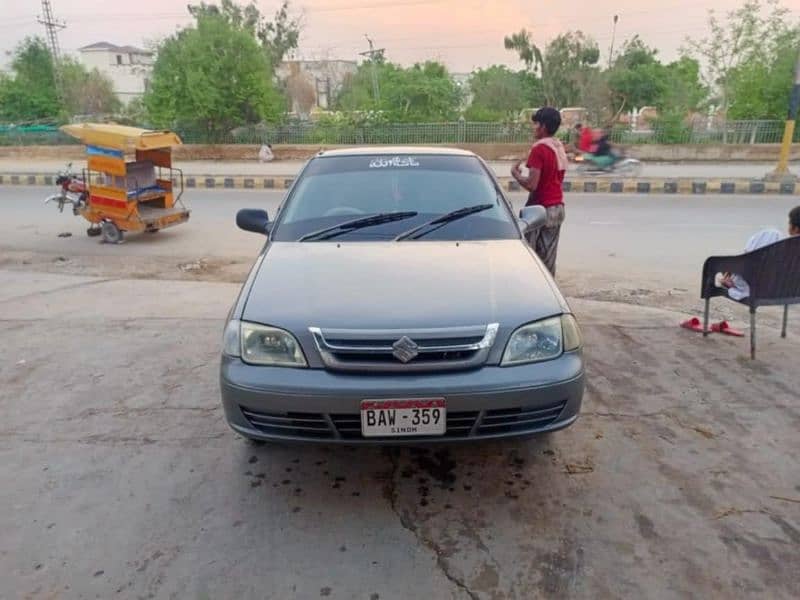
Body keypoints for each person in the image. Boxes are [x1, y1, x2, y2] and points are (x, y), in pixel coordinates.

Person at [511, 107, 567, 276]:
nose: (533, 127)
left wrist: (516, 175)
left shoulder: (539, 149)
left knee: (530, 257)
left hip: (539, 210)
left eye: (535, 124)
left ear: (542, 126)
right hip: (557, 207)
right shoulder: (558, 147)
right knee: (548, 259)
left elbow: (532, 185)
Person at [718, 206, 800, 300]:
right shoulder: (790, 250)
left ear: (796, 228)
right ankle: (734, 278)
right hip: (789, 292)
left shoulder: (779, 240)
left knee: (771, 234)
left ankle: (733, 281)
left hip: (757, 289)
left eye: (789, 223)